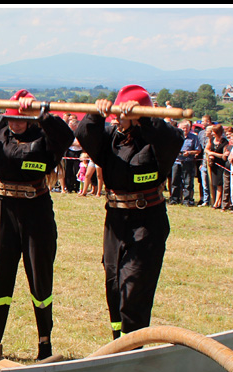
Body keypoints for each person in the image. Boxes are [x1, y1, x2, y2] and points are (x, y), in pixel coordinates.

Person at [0, 90, 74, 360]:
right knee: (0, 273)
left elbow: (67, 136)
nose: (15, 122)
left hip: (36, 210)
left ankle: (45, 342)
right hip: (4, 209)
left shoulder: (44, 135)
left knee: (39, 274)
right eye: (10, 116)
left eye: (21, 117)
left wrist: (42, 115)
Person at [76, 84, 184, 340]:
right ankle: (118, 343)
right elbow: (84, 134)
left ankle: (132, 348)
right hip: (115, 220)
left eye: (124, 114)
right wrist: (96, 113)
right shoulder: (112, 138)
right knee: (113, 281)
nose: (119, 119)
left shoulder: (157, 141)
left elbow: (171, 138)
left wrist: (144, 116)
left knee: (133, 285)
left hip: (147, 221)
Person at [169, 120, 201, 206]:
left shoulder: (194, 137)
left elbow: (198, 150)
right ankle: (174, 199)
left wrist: (189, 153)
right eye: (183, 128)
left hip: (188, 162)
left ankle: (187, 200)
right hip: (176, 161)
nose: (185, 129)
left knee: (188, 182)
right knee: (175, 182)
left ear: (189, 128)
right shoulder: (175, 137)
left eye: (186, 128)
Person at [204, 124, 229, 209]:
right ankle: (214, 200)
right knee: (214, 183)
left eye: (214, 132)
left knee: (219, 184)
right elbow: (206, 149)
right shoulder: (212, 140)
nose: (212, 133)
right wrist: (209, 153)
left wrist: (213, 153)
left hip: (220, 165)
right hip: (213, 165)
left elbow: (224, 156)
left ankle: (217, 202)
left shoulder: (224, 142)